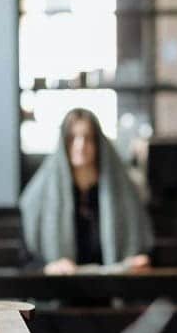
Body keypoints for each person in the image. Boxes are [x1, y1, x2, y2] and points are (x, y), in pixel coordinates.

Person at [20, 108, 153, 275]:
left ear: (98, 143)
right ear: (63, 143)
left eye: (88, 138)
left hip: (114, 291)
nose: (80, 145)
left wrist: (137, 262)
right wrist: (48, 267)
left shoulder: (125, 190)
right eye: (72, 138)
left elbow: (145, 251)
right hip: (60, 292)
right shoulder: (39, 195)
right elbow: (26, 260)